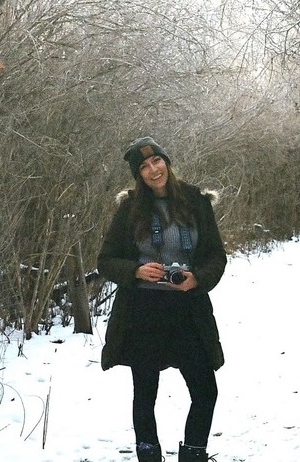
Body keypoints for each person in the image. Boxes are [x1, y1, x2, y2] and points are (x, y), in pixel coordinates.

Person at [97, 137, 227, 462]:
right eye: (144, 167)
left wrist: (197, 278)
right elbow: (106, 260)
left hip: (188, 312)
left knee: (205, 391)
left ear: (166, 162)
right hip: (143, 314)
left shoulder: (197, 202)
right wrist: (137, 271)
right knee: (144, 396)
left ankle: (193, 455)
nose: (153, 170)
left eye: (156, 161)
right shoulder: (130, 208)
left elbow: (216, 255)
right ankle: (149, 457)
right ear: (138, 175)